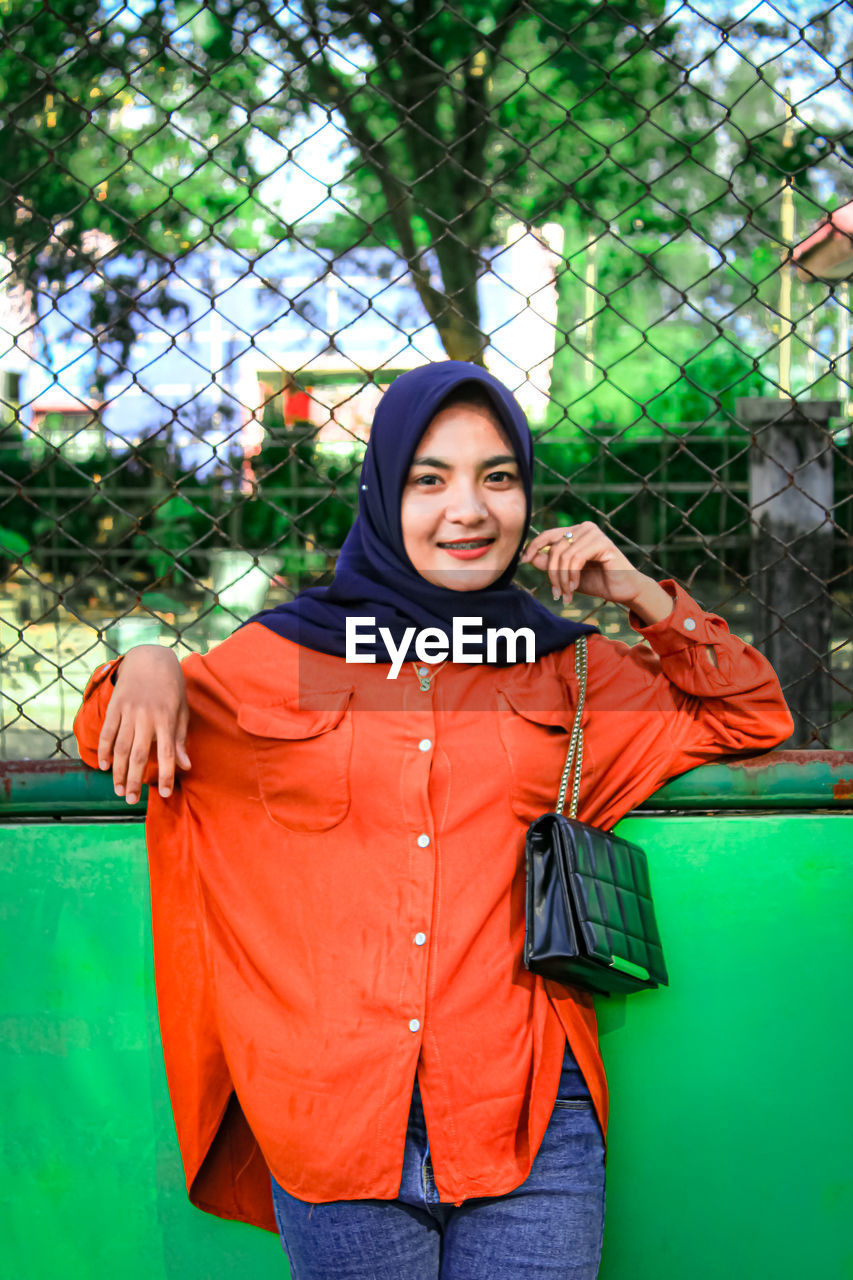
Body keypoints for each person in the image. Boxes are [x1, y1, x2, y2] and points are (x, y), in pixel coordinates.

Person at [74, 361, 793, 1279]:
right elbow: (111, 733)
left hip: (529, 1115)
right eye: (430, 479)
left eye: (497, 477)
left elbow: (749, 715)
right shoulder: (284, 658)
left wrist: (641, 595)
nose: (470, 510)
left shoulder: (569, 670)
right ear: (382, 492)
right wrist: (145, 663)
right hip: (331, 1116)